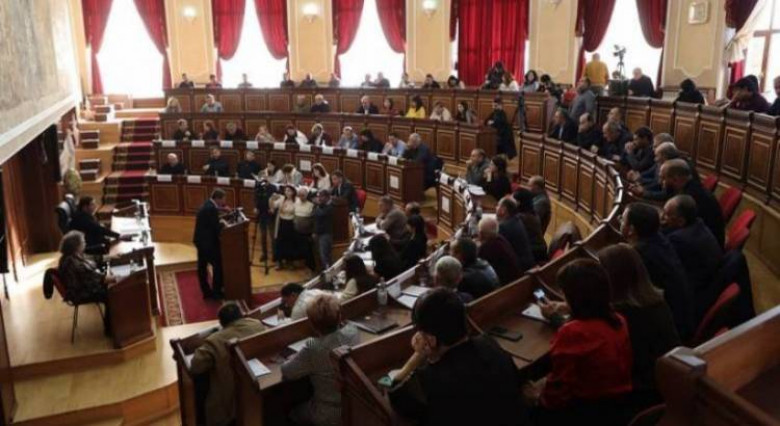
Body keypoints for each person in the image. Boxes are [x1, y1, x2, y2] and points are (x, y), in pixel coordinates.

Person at [388, 288, 528, 425]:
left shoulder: (429, 379)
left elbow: (396, 391)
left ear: (431, 340)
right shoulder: (489, 344)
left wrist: (419, 354)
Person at [531, 259, 632, 424]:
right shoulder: (618, 320)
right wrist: (569, 307)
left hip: (586, 411)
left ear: (574, 297)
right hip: (619, 403)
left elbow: (558, 393)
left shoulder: (572, 332)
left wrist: (537, 397)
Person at [597, 244, 681, 404]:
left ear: (612, 278)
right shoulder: (654, 300)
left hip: (640, 393)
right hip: (664, 383)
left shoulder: (623, 315)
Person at [282, 293, 359, 426]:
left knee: (291, 412)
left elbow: (287, 371)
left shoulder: (313, 346)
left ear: (312, 324)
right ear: (339, 317)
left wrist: (295, 357)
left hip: (327, 413)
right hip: (354, 406)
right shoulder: (353, 331)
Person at [621, 202, 694, 340]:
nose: (620, 222)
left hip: (669, 330)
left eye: (622, 220)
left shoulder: (640, 255)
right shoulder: (659, 240)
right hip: (680, 316)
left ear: (631, 230)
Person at [190, 303, 264, 426]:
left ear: (222, 322)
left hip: (231, 399)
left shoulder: (215, 340)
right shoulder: (256, 324)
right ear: (241, 315)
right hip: (258, 383)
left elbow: (196, 366)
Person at [662, 195, 723, 303]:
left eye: (666, 214)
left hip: (690, 294)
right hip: (705, 282)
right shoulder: (697, 224)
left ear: (681, 221)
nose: (662, 217)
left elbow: (666, 267)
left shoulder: (679, 240)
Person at [58, 231, 115, 333]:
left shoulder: (72, 256)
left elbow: (92, 259)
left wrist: (109, 257)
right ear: (76, 246)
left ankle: (112, 324)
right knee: (112, 293)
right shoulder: (73, 262)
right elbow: (96, 278)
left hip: (81, 287)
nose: (85, 243)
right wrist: (117, 277)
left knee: (111, 288)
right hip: (80, 292)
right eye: (83, 242)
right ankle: (110, 329)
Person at [660, 159, 725, 247]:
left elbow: (682, 227)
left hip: (701, 247)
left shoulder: (695, 197)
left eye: (663, 178)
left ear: (675, 179)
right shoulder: (690, 188)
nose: (661, 182)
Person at [193, 189, 228, 299]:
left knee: (202, 267)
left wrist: (221, 211)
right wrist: (224, 224)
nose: (224, 202)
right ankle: (217, 292)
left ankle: (206, 292)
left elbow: (211, 218)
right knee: (218, 266)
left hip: (200, 241)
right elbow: (215, 228)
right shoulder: (211, 209)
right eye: (223, 199)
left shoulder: (208, 204)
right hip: (208, 243)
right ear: (217, 198)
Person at [477, 217, 522, 286]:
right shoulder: (500, 239)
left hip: (505, 287)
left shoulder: (487, 248)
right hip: (516, 282)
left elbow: (477, 266)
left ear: (481, 233)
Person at [495, 197, 535, 272]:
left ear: (503, 210)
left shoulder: (504, 227)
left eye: (498, 205)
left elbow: (497, 248)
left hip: (519, 268)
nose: (496, 208)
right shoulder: (516, 220)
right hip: (526, 264)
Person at [512, 188, 549, 264]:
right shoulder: (531, 213)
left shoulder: (522, 218)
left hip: (534, 253)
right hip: (538, 250)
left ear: (518, 203)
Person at [271, 185, 298, 270]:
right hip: (281, 223)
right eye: (286, 190)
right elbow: (273, 206)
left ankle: (289, 262)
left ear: (293, 192)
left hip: (291, 223)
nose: (287, 192)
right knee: (280, 243)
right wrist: (272, 199)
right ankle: (279, 262)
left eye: (289, 191)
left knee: (290, 243)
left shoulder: (296, 200)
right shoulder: (282, 199)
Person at [294, 187, 316, 270]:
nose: (301, 197)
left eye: (303, 195)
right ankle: (300, 264)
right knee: (298, 248)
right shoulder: (296, 202)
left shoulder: (311, 205)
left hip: (307, 232)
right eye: (299, 195)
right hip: (296, 231)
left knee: (308, 250)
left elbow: (313, 220)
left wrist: (313, 232)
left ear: (306, 195)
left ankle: (310, 267)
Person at [313, 189, 334, 269]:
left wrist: (317, 206)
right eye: (318, 196)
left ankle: (328, 271)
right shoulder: (321, 206)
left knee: (324, 254)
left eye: (321, 196)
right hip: (319, 233)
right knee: (320, 253)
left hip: (326, 234)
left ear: (327, 197)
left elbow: (320, 214)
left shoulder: (331, 206)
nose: (319, 198)